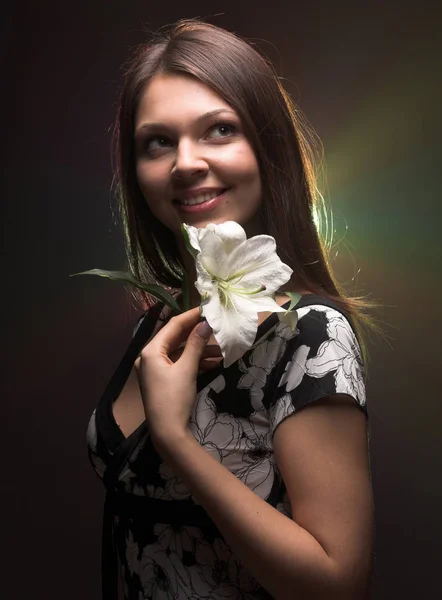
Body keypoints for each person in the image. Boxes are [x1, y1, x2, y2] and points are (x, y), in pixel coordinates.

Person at [86, 18, 378, 600]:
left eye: (219, 130)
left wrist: (175, 439)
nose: (185, 162)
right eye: (158, 141)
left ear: (268, 150)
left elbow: (337, 587)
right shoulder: (160, 321)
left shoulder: (311, 337)